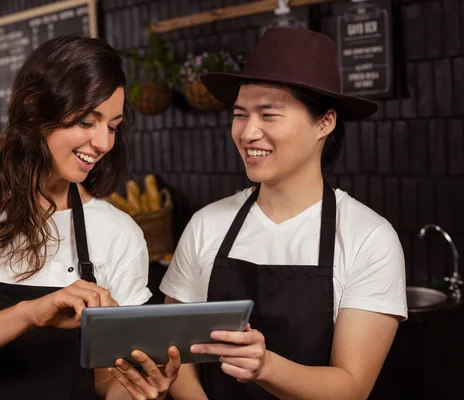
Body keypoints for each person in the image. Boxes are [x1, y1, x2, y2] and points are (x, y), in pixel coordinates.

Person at [0, 33, 179, 400]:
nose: (104, 143)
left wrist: (139, 389)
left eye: (113, 126)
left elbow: (107, 383)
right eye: (88, 121)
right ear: (33, 106)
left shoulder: (117, 232)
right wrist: (28, 315)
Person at [160, 27, 407, 399]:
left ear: (324, 122)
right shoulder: (207, 224)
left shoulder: (369, 238)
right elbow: (174, 352)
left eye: (269, 114)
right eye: (240, 114)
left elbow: (351, 387)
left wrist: (265, 367)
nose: (248, 132)